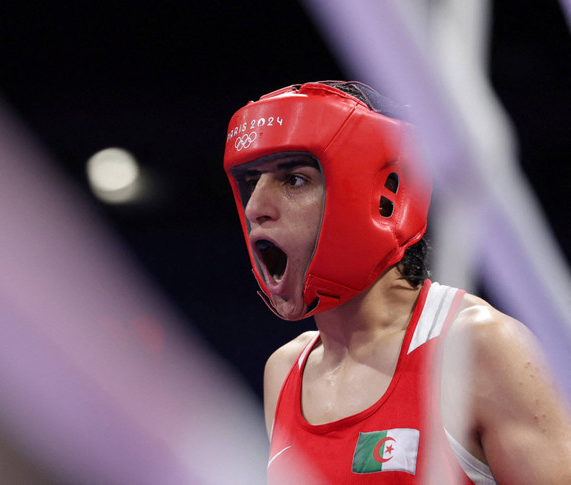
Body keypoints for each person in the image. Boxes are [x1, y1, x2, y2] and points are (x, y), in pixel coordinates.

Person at [222, 81, 571, 484]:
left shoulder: (478, 348)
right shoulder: (285, 372)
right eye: (252, 182)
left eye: (294, 180)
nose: (256, 208)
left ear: (382, 195)